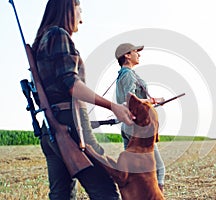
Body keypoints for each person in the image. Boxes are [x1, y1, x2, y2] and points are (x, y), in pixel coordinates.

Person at [32, 0, 134, 199]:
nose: (82, 18)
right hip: (71, 127)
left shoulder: (43, 40)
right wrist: (113, 106)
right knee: (104, 190)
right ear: (69, 8)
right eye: (80, 10)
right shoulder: (58, 35)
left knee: (61, 195)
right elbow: (71, 84)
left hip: (51, 129)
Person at [115, 43, 166, 192]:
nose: (139, 54)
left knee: (134, 171)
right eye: (136, 52)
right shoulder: (129, 74)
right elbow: (130, 100)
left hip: (126, 126)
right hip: (136, 127)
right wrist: (153, 100)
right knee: (158, 169)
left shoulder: (121, 75)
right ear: (127, 55)